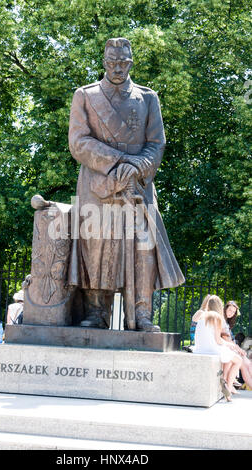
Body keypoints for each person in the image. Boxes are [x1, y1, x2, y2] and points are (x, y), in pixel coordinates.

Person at [68, 37, 185, 331]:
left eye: (123, 63)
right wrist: (120, 161)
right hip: (98, 183)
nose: (117, 68)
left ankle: (142, 314)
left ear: (131, 63)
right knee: (96, 249)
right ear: (104, 62)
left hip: (138, 186)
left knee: (142, 251)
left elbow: (156, 143)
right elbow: (78, 142)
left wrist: (137, 167)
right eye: (112, 62)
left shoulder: (148, 98)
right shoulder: (85, 95)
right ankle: (97, 314)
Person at [193, 309, 242, 401]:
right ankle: (228, 388)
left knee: (229, 356)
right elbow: (218, 340)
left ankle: (224, 380)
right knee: (238, 360)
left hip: (199, 349)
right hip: (212, 349)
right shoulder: (217, 317)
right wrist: (230, 344)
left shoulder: (200, 316)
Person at [223, 300, 252, 390]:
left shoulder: (226, 322)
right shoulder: (222, 321)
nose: (231, 313)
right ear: (225, 309)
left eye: (233, 312)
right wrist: (238, 349)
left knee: (248, 364)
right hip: (226, 347)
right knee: (244, 364)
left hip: (231, 347)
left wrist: (238, 349)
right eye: (230, 310)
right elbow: (226, 339)